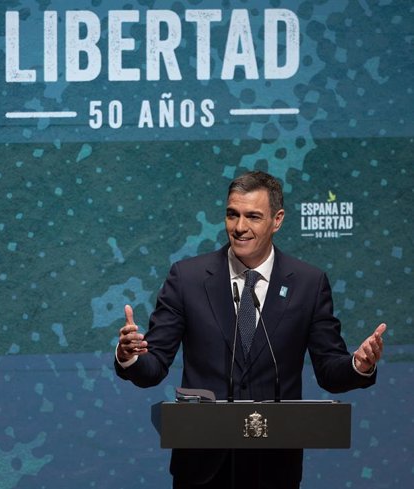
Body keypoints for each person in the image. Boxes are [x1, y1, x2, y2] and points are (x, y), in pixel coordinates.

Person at [114, 171, 385, 489]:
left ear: (277, 220)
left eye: (253, 216)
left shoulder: (308, 284)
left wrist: (359, 365)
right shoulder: (187, 279)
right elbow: (153, 366)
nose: (240, 227)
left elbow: (330, 369)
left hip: (274, 467)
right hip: (201, 466)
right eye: (232, 215)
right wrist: (130, 356)